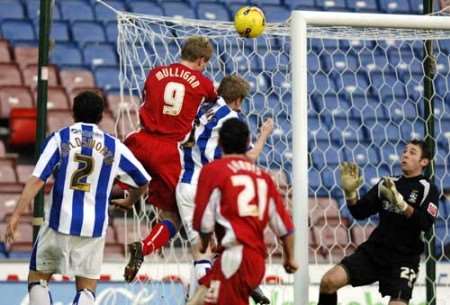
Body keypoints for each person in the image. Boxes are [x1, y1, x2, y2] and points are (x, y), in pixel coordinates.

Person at [3, 91, 150, 305]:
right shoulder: (114, 146)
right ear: (101, 116)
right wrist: (130, 200)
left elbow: (37, 179)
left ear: (73, 113)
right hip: (93, 227)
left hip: (58, 222)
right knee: (87, 289)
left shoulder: (59, 138)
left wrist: (16, 215)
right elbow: (143, 180)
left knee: (38, 280)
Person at [123, 36, 217, 282]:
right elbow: (216, 106)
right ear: (200, 60)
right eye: (205, 63)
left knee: (112, 183)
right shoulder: (204, 83)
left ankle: (120, 197)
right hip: (171, 152)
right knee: (175, 216)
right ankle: (144, 247)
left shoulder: (155, 73)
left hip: (140, 143)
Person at [175, 75, 274, 303]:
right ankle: (226, 292)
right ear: (238, 100)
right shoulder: (233, 121)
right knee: (210, 250)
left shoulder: (203, 108)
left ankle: (197, 296)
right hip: (210, 189)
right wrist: (264, 134)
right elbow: (249, 157)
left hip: (186, 183)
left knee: (203, 250)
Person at [187, 118, 298, 305]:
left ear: (220, 142)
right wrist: (290, 258)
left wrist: (204, 243)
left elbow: (203, 220)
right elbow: (285, 227)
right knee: (198, 300)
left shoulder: (214, 170)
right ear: (247, 142)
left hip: (235, 257)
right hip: (252, 260)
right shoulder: (263, 177)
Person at [318, 139, 439, 305]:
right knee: (328, 282)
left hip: (404, 258)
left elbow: (425, 222)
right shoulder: (387, 183)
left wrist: (402, 205)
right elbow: (359, 212)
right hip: (375, 252)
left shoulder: (428, 188)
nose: (405, 155)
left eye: (412, 152)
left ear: (424, 162)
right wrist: (350, 193)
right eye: (404, 151)